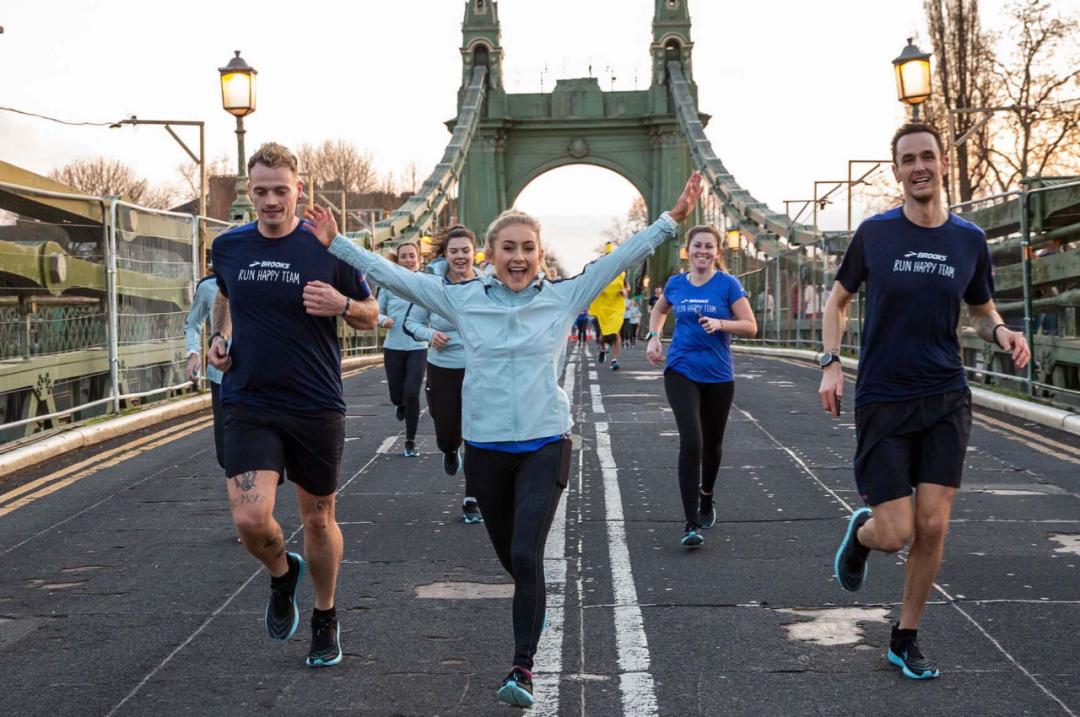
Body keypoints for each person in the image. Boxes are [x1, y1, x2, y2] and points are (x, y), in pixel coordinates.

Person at [303, 172, 703, 709]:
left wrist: (672, 220)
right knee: (513, 563)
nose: (519, 258)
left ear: (540, 255)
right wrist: (338, 243)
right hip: (486, 449)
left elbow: (622, 257)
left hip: (544, 442)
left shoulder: (564, 296)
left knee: (526, 553)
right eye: (508, 248)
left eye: (528, 249)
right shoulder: (462, 298)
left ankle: (522, 667)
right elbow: (394, 278)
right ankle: (529, 618)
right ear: (490, 254)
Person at [821, 123, 1030, 681]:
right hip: (885, 399)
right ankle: (863, 534)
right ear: (896, 171)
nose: (919, 166)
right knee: (896, 533)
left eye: (927, 157)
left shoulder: (968, 240)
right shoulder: (875, 234)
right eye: (907, 158)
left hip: (944, 396)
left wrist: (1003, 332)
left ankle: (904, 637)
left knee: (933, 527)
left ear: (942, 165)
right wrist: (830, 361)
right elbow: (836, 302)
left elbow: (982, 310)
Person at [208, 142, 378, 668]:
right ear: (249, 192)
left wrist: (343, 304)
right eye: (260, 191)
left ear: (298, 189)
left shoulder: (326, 245)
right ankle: (284, 576)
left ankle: (325, 616)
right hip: (248, 400)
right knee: (250, 519)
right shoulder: (229, 245)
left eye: (281, 190)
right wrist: (218, 337)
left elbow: (371, 313)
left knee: (319, 519)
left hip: (314, 403)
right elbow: (226, 297)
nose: (270, 201)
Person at [646, 226, 757, 548]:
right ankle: (690, 522)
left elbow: (751, 326)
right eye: (697, 246)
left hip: (719, 375)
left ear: (717, 252)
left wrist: (721, 323)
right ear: (687, 250)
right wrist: (654, 337)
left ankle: (706, 495)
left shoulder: (728, 285)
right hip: (681, 370)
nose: (702, 251)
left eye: (709, 247)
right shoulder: (676, 284)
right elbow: (658, 310)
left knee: (712, 445)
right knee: (691, 441)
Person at [414, 225, 484, 524]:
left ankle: (472, 498)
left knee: (477, 432)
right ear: (445, 254)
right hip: (442, 368)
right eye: (454, 251)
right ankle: (448, 449)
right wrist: (430, 334)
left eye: (465, 251)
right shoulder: (432, 287)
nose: (460, 256)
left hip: (479, 369)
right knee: (448, 431)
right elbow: (411, 323)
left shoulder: (488, 285)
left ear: (474, 253)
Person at [376, 241, 429, 457]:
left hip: (418, 346)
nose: (408, 260)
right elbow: (375, 311)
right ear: (397, 260)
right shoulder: (389, 285)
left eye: (412, 256)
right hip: (393, 346)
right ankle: (399, 404)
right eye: (404, 256)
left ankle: (410, 441)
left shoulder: (426, 284)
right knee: (397, 395)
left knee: (412, 392)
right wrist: (383, 319)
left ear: (419, 259)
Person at [184, 266, 225, 470]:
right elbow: (192, 323)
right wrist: (193, 353)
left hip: (256, 376)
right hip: (220, 377)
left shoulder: (260, 280)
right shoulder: (208, 287)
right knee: (225, 453)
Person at [590, 268, 627, 370]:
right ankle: (602, 349)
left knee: (616, 333)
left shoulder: (621, 274)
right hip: (603, 308)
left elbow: (626, 287)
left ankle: (614, 360)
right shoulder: (601, 275)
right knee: (603, 336)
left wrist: (624, 291)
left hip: (616, 308)